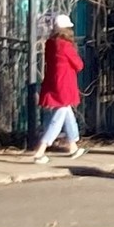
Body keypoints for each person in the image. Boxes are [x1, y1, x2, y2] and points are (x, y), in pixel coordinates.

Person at [30, 13, 85, 163]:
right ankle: (41, 150)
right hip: (64, 85)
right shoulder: (66, 45)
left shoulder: (50, 43)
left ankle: (73, 145)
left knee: (67, 113)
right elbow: (79, 65)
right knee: (58, 117)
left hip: (52, 83)